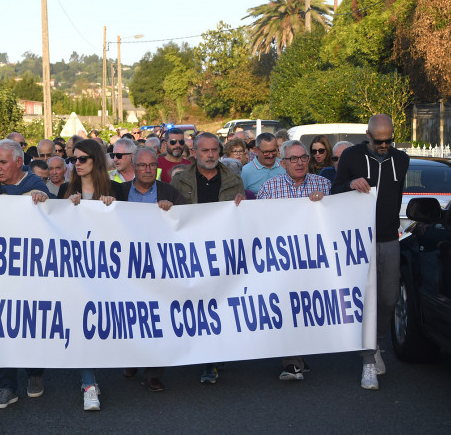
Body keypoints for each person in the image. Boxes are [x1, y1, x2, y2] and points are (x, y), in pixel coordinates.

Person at [331, 114, 409, 391]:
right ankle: (367, 362)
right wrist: (350, 185)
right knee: (364, 300)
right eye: (379, 141)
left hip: (389, 238)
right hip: (358, 240)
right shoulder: (351, 156)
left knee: (388, 299)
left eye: (389, 140)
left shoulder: (402, 159)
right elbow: (334, 190)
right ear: (368, 135)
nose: (384, 145)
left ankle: (375, 344)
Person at [0, 139, 51, 409]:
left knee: (31, 321)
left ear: (19, 162)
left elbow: (48, 212)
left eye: (2, 162)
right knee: (3, 323)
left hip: (31, 270)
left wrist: (44, 200)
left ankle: (34, 373)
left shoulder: (34, 185)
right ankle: (8, 386)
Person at [170, 133, 245, 384]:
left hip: (223, 250)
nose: (210, 155)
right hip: (192, 250)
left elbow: (241, 214)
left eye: (214, 150)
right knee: (200, 303)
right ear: (195, 153)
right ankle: (206, 357)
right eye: (205, 151)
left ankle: (212, 358)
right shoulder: (180, 181)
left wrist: (242, 205)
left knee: (220, 301)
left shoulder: (234, 180)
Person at [57, 139, 124, 410]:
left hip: (108, 272)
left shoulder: (117, 189)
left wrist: (113, 206)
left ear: (96, 160)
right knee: (82, 323)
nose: (77, 164)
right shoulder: (66, 189)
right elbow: (54, 227)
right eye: (74, 159)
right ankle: (89, 384)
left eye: (83, 159)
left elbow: (131, 228)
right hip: (76, 272)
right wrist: (65, 206)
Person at [257, 139, 331, 381]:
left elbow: (338, 220)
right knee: (288, 306)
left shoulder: (325, 185)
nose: (299, 163)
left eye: (303, 158)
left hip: (315, 260)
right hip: (283, 262)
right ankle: (292, 362)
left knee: (308, 307)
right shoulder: (270, 188)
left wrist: (326, 205)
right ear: (282, 162)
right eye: (293, 159)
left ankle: (299, 356)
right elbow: (257, 223)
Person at [118, 147, 187, 392]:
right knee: (130, 315)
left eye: (151, 165)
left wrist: (174, 211)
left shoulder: (169, 192)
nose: (147, 170)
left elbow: (187, 223)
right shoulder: (120, 191)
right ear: (133, 167)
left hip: (160, 266)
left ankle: (153, 372)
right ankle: (131, 359)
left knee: (157, 317)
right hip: (127, 265)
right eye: (142, 165)